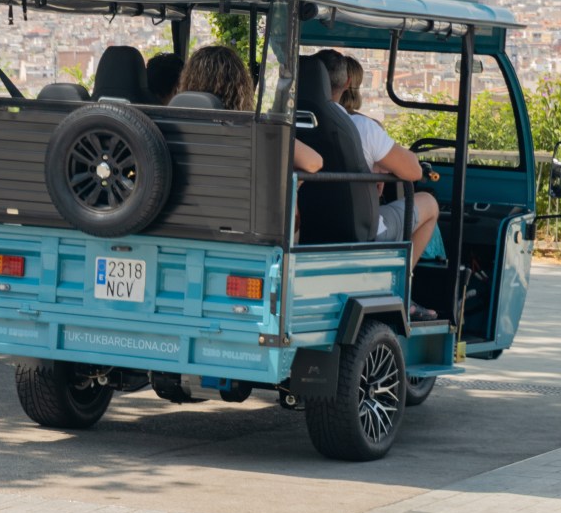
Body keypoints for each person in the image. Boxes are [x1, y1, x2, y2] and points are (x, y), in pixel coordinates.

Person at [315, 49, 439, 319]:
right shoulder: (361, 126)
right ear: (347, 83)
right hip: (359, 227)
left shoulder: (289, 122)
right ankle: (401, 289)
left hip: (312, 226)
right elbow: (413, 170)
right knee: (429, 205)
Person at [177, 45, 321, 173]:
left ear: (188, 81)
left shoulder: (169, 128)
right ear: (241, 86)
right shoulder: (252, 129)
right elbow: (314, 163)